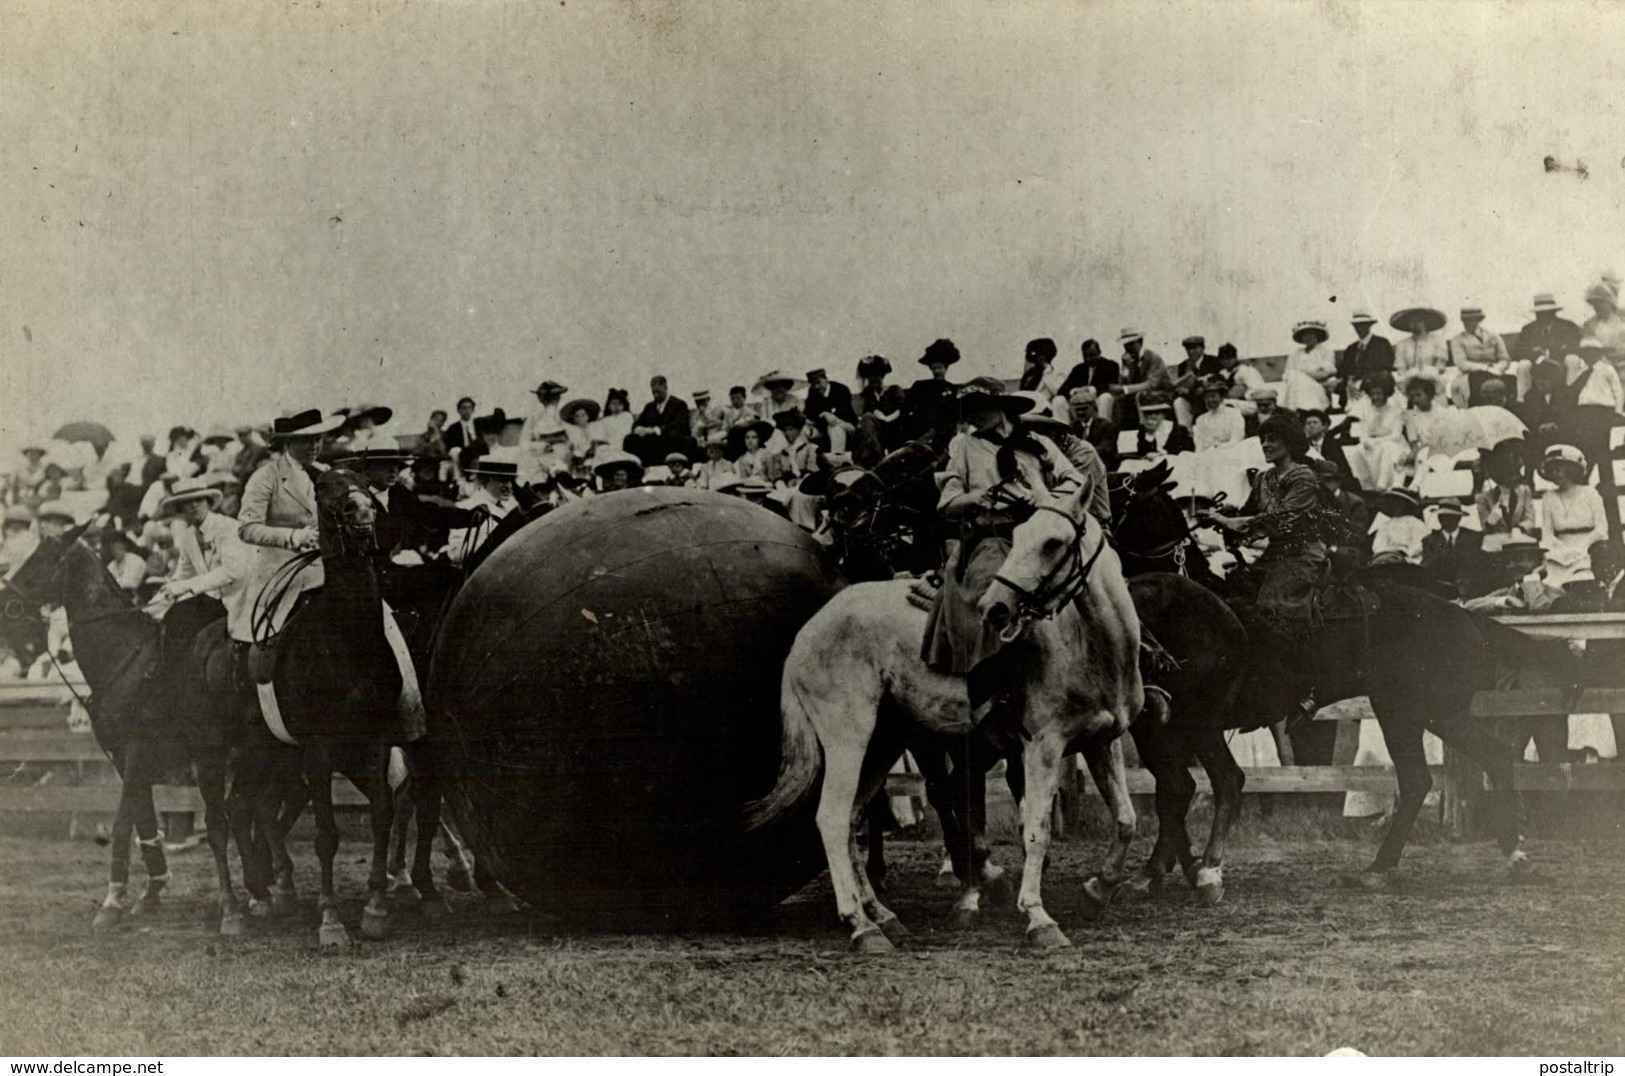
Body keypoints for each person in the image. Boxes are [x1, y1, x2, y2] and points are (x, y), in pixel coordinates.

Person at [922, 377, 1085, 731]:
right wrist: (979, 498)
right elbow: (946, 503)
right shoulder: (963, 446)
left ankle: (1136, 669)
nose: (973, 417)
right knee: (994, 592)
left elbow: (1074, 482)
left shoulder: (1038, 444)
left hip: (1039, 535)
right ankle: (998, 689)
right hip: (992, 536)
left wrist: (1043, 501)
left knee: (1094, 576)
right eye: (968, 412)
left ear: (1002, 409)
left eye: (979, 409)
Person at [1203, 413, 1330, 722]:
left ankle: (1307, 684)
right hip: (1273, 557)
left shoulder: (1303, 477)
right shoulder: (1263, 478)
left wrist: (1232, 522)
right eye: (1263, 439)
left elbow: (1280, 521)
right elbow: (1248, 513)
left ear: (1290, 442)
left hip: (1302, 558)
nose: (1266, 444)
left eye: (1273, 438)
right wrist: (1227, 515)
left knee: (1271, 606)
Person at [232, 409, 344, 648]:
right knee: (269, 645)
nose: (314, 445)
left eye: (318, 438)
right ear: (288, 442)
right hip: (279, 570)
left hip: (326, 565)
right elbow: (247, 528)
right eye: (306, 440)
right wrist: (292, 537)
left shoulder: (326, 473)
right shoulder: (265, 477)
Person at [336, 438, 475, 561]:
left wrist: (471, 517)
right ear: (366, 470)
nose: (392, 470)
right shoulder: (355, 498)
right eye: (384, 464)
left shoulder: (398, 493)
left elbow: (430, 514)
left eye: (395, 464)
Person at [1016, 394, 1110, 528]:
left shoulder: (1082, 452)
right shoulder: (1035, 453)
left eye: (1038, 430)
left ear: (1054, 431)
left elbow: (1070, 496)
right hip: (1053, 521)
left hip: (1092, 524)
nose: (1033, 438)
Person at [154, 477, 246, 607]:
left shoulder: (227, 527)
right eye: (187, 502)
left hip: (242, 602)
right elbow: (183, 574)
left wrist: (182, 587)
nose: (194, 505)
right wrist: (154, 603)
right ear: (180, 509)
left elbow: (231, 572)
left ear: (208, 502)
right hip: (215, 602)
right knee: (170, 616)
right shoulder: (188, 536)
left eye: (199, 499)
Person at [1539, 444, 1609, 589]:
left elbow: (1601, 530)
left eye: (1559, 469)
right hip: (1560, 550)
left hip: (1589, 546)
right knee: (1552, 581)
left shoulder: (1590, 493)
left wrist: (1581, 546)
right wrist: (1562, 548)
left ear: (1571, 470)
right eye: (1553, 470)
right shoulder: (1548, 497)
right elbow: (1547, 534)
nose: (1556, 474)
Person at [445, 455, 519, 565]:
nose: (509, 486)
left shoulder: (513, 506)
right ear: (485, 480)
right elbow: (456, 553)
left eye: (512, 480)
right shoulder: (466, 508)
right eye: (503, 480)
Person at [1444, 304, 1512, 408]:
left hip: (1496, 372)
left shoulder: (1492, 335)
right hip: (1470, 375)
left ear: (1478, 320)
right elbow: (1461, 363)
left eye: (1471, 319)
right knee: (1477, 387)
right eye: (1465, 320)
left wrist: (1498, 368)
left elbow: (1504, 358)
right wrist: (1485, 368)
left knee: (1512, 381)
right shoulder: (1458, 339)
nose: (1467, 323)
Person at [1476, 439, 1537, 543]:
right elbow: (1484, 528)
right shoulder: (1484, 497)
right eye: (1509, 473)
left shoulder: (1524, 491)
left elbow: (1530, 520)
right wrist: (1491, 521)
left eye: (1514, 472)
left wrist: (1519, 528)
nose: (1514, 478)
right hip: (1495, 544)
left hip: (1519, 541)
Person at [1111, 328, 1172, 430]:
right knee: (1118, 400)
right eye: (1125, 345)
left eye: (1131, 344)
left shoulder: (1153, 357)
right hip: (1140, 395)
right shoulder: (1129, 360)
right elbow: (1122, 383)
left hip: (1161, 394)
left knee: (1140, 396)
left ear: (1140, 342)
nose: (1128, 348)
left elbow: (1152, 384)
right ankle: (1114, 434)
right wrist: (1125, 366)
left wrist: (1125, 389)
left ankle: (1145, 431)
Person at [1421, 500, 1485, 596]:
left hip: (1469, 588)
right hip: (1439, 590)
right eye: (1441, 516)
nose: (1444, 520)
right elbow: (1427, 566)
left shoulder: (1473, 537)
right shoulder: (1430, 540)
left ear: (1458, 518)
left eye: (1450, 516)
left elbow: (1476, 564)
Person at [904, 338, 962, 439]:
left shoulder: (953, 389)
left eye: (940, 367)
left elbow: (954, 416)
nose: (937, 371)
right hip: (920, 432)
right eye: (934, 368)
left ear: (946, 368)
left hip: (942, 434)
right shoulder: (920, 386)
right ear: (930, 369)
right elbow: (907, 408)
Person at [1513, 292, 1582, 375]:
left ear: (1554, 312)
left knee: (1573, 359)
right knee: (1523, 365)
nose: (1543, 316)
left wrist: (1554, 351)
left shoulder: (1568, 326)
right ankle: (1524, 388)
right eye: (1540, 313)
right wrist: (1533, 352)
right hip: (1536, 364)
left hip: (1561, 361)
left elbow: (1576, 346)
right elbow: (1518, 351)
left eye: (1548, 312)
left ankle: (1573, 387)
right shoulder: (1528, 329)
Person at [1056, 338, 1121, 421]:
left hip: (1097, 402)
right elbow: (1061, 390)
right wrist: (1074, 391)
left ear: (1099, 353)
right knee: (1058, 400)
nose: (1088, 359)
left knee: (1106, 397)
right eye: (1085, 355)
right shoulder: (1078, 369)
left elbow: (1111, 386)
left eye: (1091, 355)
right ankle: (1064, 431)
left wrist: (1090, 389)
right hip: (1078, 404)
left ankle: (1102, 428)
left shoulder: (1110, 365)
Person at [1337, 309, 1395, 400]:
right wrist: (1349, 381)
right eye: (1356, 326)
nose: (1359, 328)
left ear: (1369, 325)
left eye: (1363, 325)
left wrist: (1360, 380)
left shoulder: (1381, 343)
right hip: (1353, 386)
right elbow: (1343, 370)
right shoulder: (1351, 348)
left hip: (1376, 384)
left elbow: (1387, 366)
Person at [1280, 320, 1338, 411]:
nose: (1308, 337)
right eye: (1305, 335)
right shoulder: (1296, 354)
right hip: (1296, 388)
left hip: (1317, 388)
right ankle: (1294, 411)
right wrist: (1309, 373)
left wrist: (1301, 373)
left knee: (1296, 377)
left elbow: (1324, 373)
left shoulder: (1325, 351)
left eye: (1311, 334)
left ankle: (1300, 409)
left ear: (1317, 336)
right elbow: (1286, 375)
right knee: (1293, 377)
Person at [1391, 305, 1450, 386]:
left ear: (1426, 322)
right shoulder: (1402, 344)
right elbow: (1401, 369)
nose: (1414, 324)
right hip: (1409, 382)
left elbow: (1440, 367)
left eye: (1418, 320)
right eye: (1411, 321)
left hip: (1433, 381)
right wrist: (1411, 375)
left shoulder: (1438, 341)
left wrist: (1426, 374)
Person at [1370, 487, 1429, 565]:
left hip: (1409, 559)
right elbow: (1378, 544)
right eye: (1393, 503)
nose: (1395, 505)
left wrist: (1407, 553)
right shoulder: (1386, 524)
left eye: (1398, 503)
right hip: (1388, 558)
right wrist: (1390, 553)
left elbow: (1421, 542)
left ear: (1404, 505)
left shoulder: (1415, 522)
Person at [1067, 387, 1119, 471]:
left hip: (1102, 464)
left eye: (1084, 409)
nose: (1080, 412)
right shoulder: (1073, 426)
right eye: (1077, 410)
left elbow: (1105, 449)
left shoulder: (1106, 425)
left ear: (1094, 408)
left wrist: (1082, 453)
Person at [1581, 278, 1625, 376]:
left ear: (1610, 302)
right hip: (1603, 370)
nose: (1597, 306)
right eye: (1595, 303)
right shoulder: (1589, 325)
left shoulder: (1622, 320)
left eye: (1601, 302)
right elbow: (1589, 350)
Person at [1193, 377, 1245, 452]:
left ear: (1221, 397)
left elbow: (1236, 439)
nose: (1210, 400)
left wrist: (1218, 449)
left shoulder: (1233, 413)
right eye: (1207, 398)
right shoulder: (1201, 420)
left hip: (1230, 451)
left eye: (1213, 396)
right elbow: (1199, 446)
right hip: (1208, 455)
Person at [1301, 408, 1352, 484]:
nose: (1311, 426)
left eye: (1315, 422)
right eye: (1308, 423)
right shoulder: (1302, 446)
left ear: (1324, 426)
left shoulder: (1333, 445)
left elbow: (1343, 469)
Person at [560, 397, 601, 478]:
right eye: (577, 416)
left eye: (583, 415)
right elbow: (572, 447)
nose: (580, 418)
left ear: (587, 417)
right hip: (580, 459)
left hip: (596, 456)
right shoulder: (572, 432)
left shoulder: (594, 427)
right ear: (574, 419)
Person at [101, 531, 149, 596]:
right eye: (114, 549)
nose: (116, 551)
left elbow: (133, 583)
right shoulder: (111, 566)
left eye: (119, 548)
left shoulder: (135, 560)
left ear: (124, 548)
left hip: (135, 594)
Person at [0, 505, 38, 581]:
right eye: (11, 523)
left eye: (19, 523)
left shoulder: (26, 537)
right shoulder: (9, 538)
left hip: (15, 578)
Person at [443, 397, 479, 461]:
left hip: (477, 458)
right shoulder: (453, 428)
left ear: (473, 410)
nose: (467, 411)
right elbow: (451, 447)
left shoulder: (479, 425)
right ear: (459, 410)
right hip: (460, 459)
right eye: (464, 408)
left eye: (470, 408)